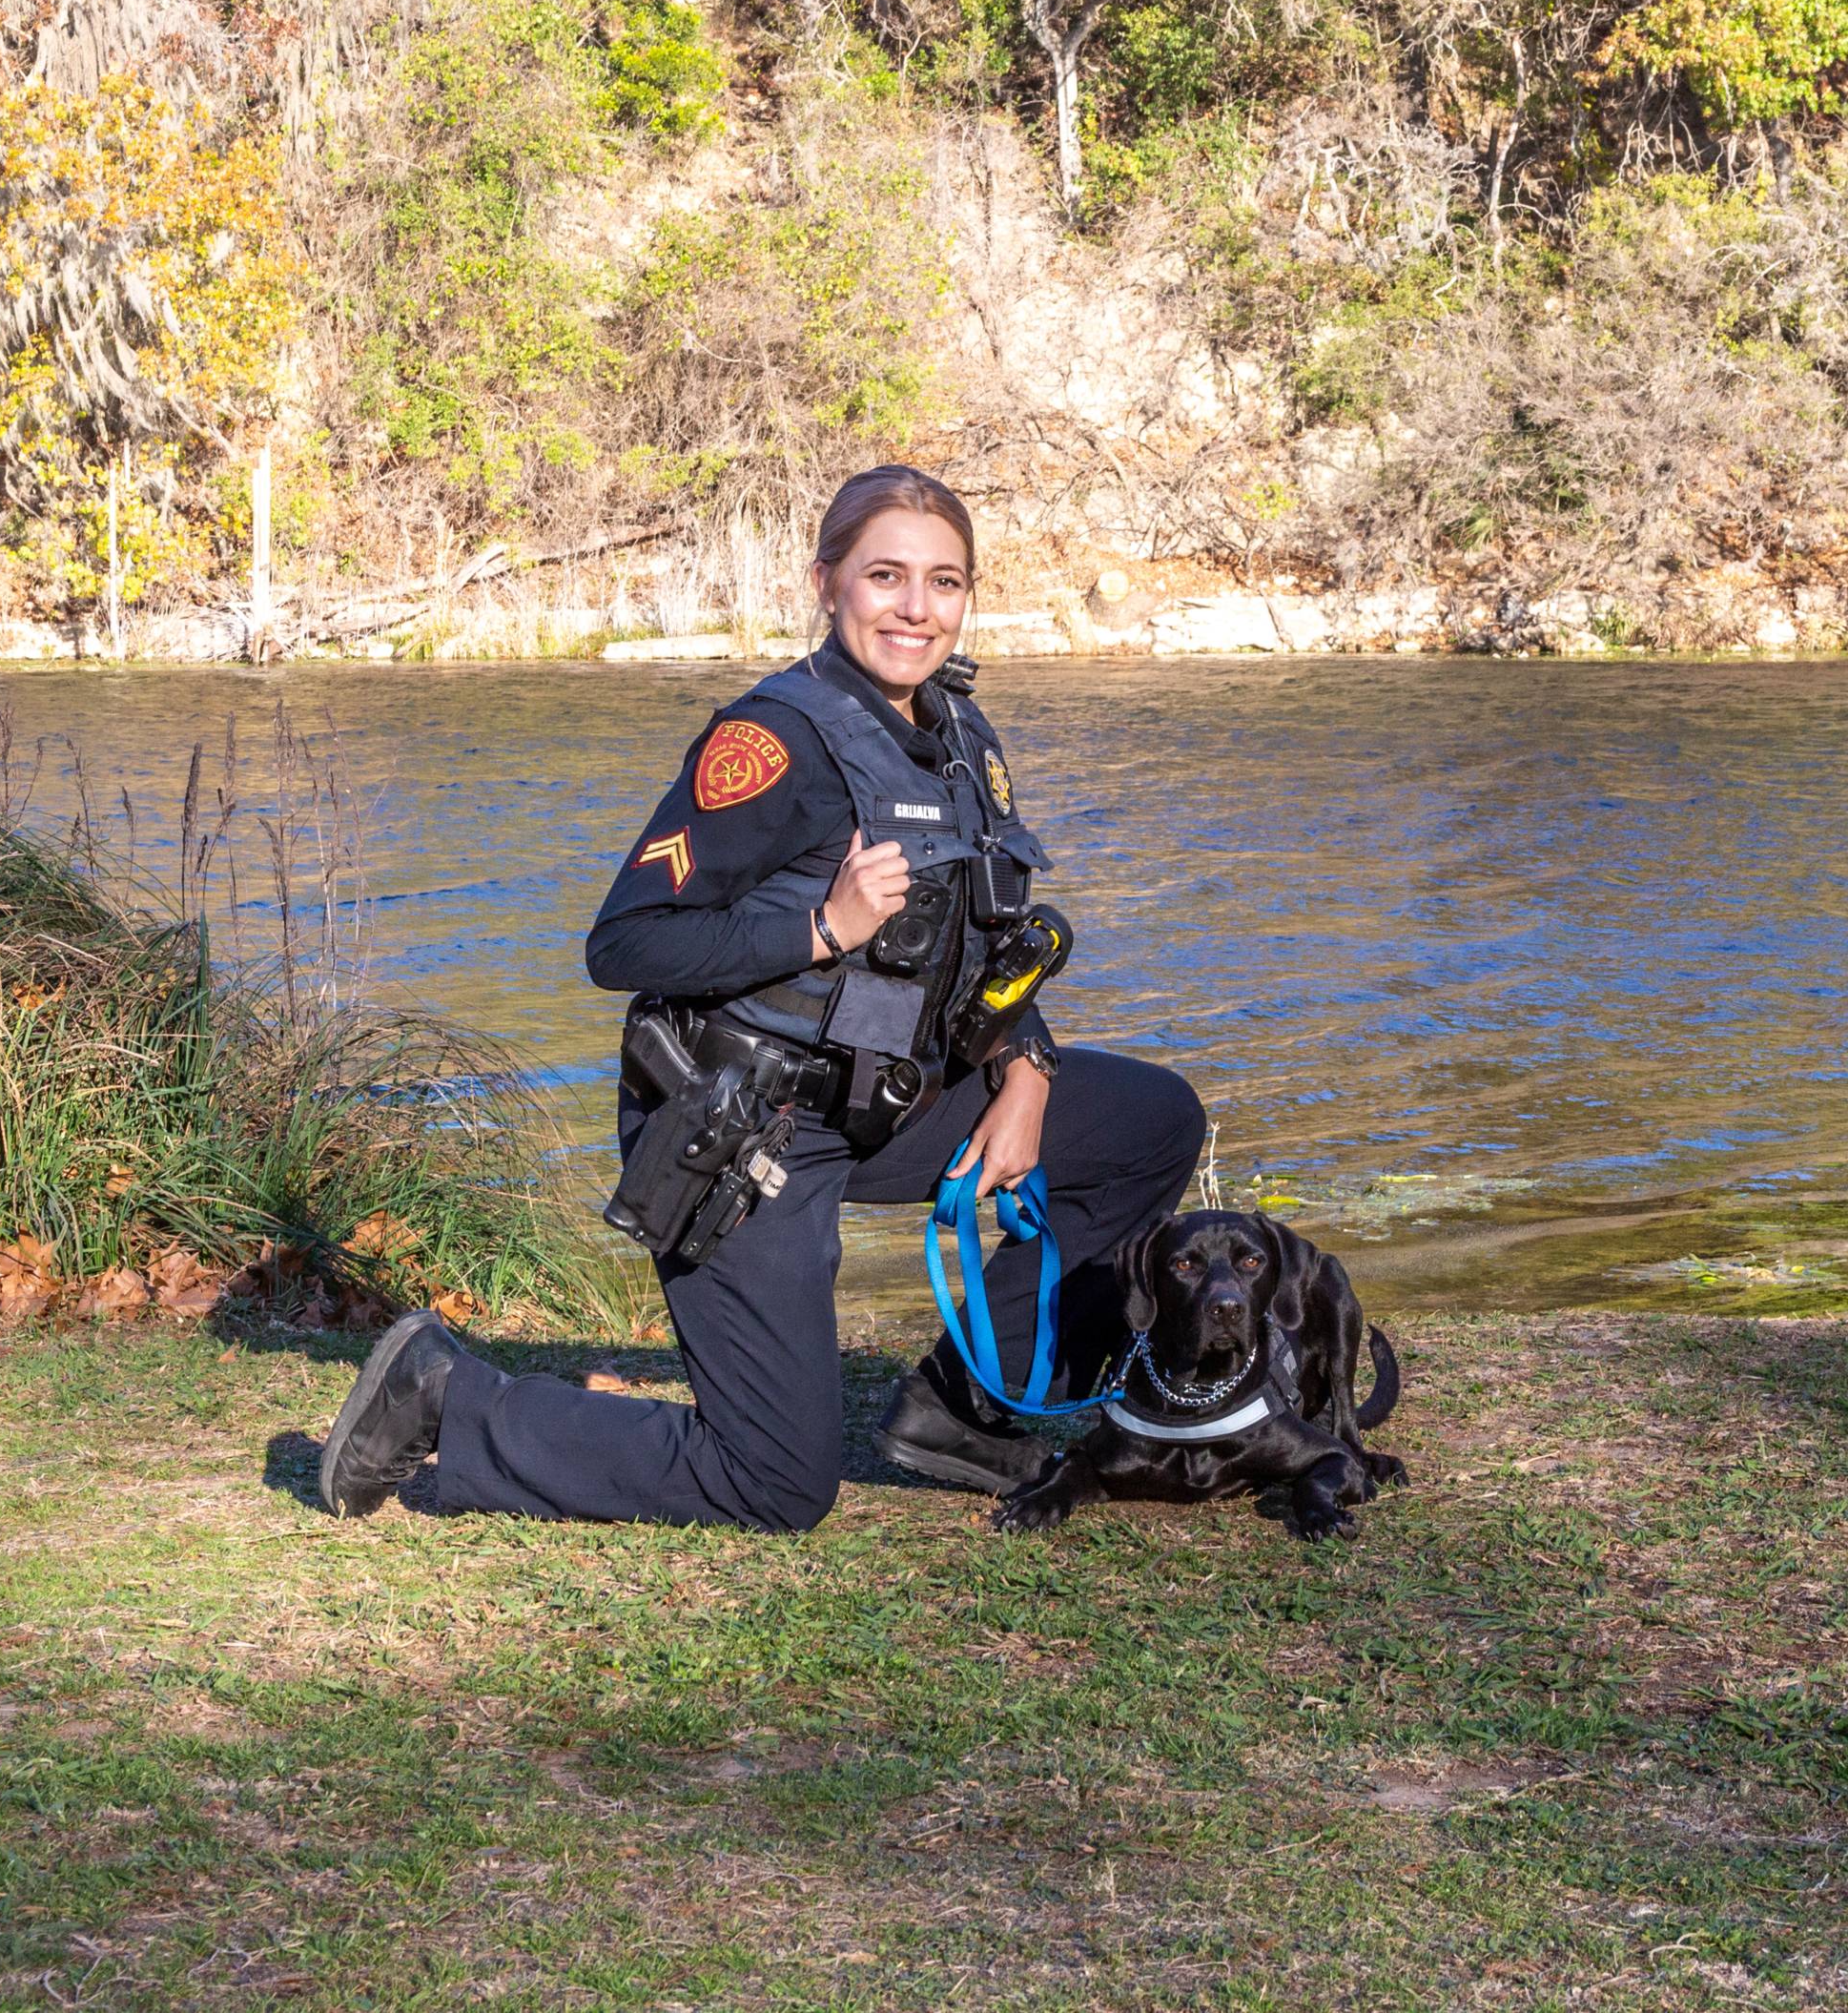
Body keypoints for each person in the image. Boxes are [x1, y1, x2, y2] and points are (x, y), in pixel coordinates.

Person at [318, 465, 1207, 1531]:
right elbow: (626, 941)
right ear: (827, 581)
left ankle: (963, 1410)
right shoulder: (770, 742)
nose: (916, 608)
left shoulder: (962, 736)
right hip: (742, 1127)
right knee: (776, 1482)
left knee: (1154, 1124)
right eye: (885, 576)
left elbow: (980, 946)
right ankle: (449, 1396)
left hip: (889, 1096)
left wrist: (1025, 1068)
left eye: (944, 581)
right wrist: (820, 928)